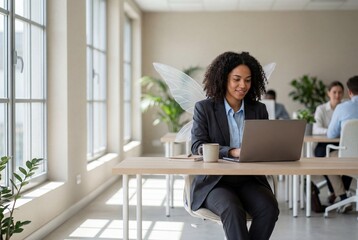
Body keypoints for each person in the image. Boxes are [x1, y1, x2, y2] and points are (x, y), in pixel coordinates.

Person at [190, 51, 279, 240]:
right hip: (215, 182)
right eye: (236, 79)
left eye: (248, 80)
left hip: (249, 180)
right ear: (223, 79)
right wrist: (231, 151)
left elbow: (264, 145)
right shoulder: (204, 108)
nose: (243, 85)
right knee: (232, 209)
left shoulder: (259, 109)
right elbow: (197, 145)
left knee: (269, 208)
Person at [313, 81, 351, 204]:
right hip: (324, 144)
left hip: (344, 144)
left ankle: (339, 193)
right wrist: (332, 131)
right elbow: (316, 129)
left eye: (340, 92)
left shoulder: (347, 107)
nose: (337, 95)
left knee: (350, 160)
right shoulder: (322, 109)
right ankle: (340, 193)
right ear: (328, 93)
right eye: (334, 92)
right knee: (324, 160)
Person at [326, 75, 358, 213]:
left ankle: (343, 198)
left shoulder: (342, 108)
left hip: (348, 155)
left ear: (349, 92)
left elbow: (331, 134)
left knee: (328, 160)